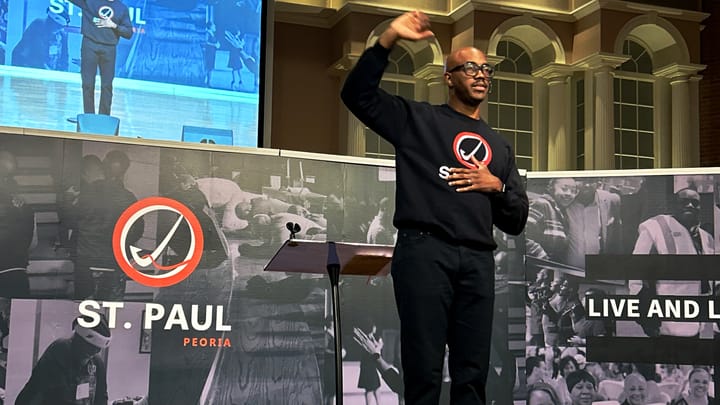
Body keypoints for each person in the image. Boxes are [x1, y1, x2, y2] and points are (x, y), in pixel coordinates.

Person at [340, 10, 528, 404]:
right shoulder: (417, 120)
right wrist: (389, 37)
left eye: (486, 69)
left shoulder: (500, 144)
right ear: (449, 78)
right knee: (423, 370)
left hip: (478, 261)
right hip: (425, 252)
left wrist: (496, 187)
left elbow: (516, 219)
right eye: (470, 67)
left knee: (472, 373)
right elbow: (356, 95)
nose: (480, 74)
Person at [630, 188, 714, 337]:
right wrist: (643, 312)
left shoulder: (706, 237)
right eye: (684, 202)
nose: (689, 206)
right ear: (673, 206)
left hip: (695, 320)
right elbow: (637, 271)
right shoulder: (655, 227)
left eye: (695, 203)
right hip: (664, 323)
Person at [15, 315, 111, 405]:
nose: (96, 351)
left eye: (98, 348)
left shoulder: (97, 362)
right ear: (78, 340)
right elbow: (52, 393)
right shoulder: (60, 349)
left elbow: (101, 397)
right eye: (91, 347)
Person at [66, 0, 133, 115]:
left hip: (109, 49)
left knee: (107, 85)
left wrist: (114, 25)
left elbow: (128, 33)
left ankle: (104, 117)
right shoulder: (90, 1)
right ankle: (89, 115)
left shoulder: (122, 8)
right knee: (88, 83)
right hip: (89, 45)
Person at [0, 151, 35, 298]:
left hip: (12, 268)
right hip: (17, 269)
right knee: (18, 318)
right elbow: (33, 243)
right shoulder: (24, 207)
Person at [564, 178, 621, 269]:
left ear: (599, 182)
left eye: (591, 181)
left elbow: (616, 239)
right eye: (582, 180)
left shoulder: (610, 200)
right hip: (568, 271)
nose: (587, 185)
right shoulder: (565, 200)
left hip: (597, 270)